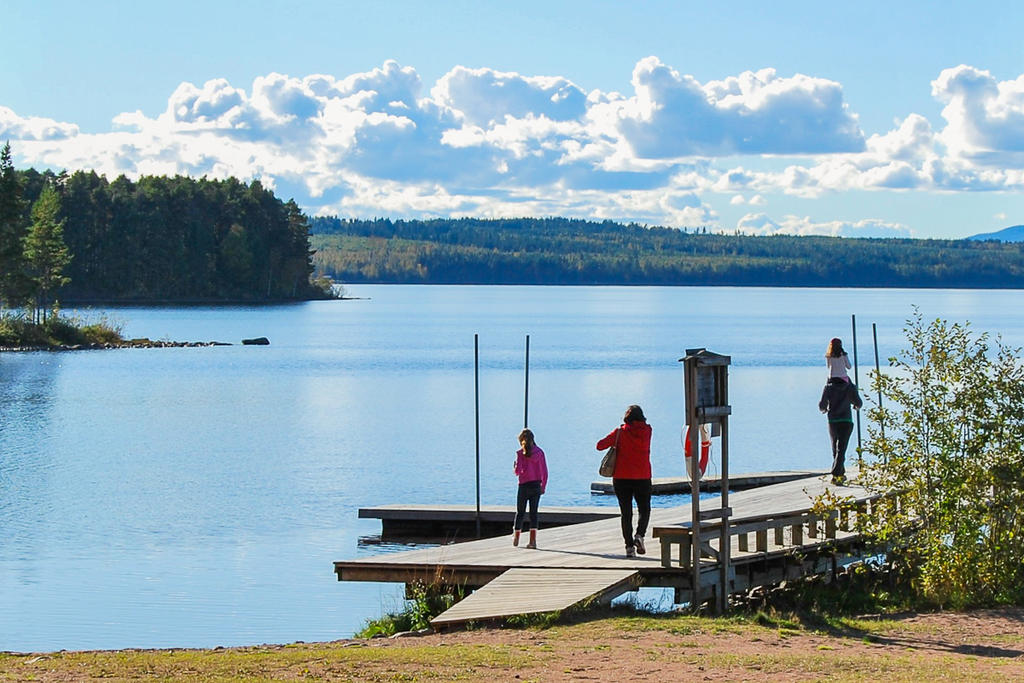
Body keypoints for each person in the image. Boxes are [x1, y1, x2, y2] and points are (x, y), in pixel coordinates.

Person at [596, 405, 652, 558]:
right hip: (643, 476)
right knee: (644, 509)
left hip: (622, 478)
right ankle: (639, 535)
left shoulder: (620, 432)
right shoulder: (647, 431)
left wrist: (616, 440)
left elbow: (599, 446)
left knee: (626, 513)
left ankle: (629, 548)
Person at [818, 377, 862, 485]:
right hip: (846, 419)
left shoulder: (828, 387)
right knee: (841, 448)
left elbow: (822, 406)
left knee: (835, 447)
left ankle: (838, 474)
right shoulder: (850, 387)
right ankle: (838, 474)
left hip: (833, 420)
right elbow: (858, 403)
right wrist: (855, 406)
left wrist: (824, 410)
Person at [513, 428, 547, 549]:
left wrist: (515, 466)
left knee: (520, 512)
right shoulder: (540, 452)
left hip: (523, 486)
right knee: (534, 513)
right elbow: (544, 472)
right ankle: (533, 541)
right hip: (536, 485)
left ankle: (516, 536)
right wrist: (543, 486)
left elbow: (518, 472)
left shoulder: (520, 454)